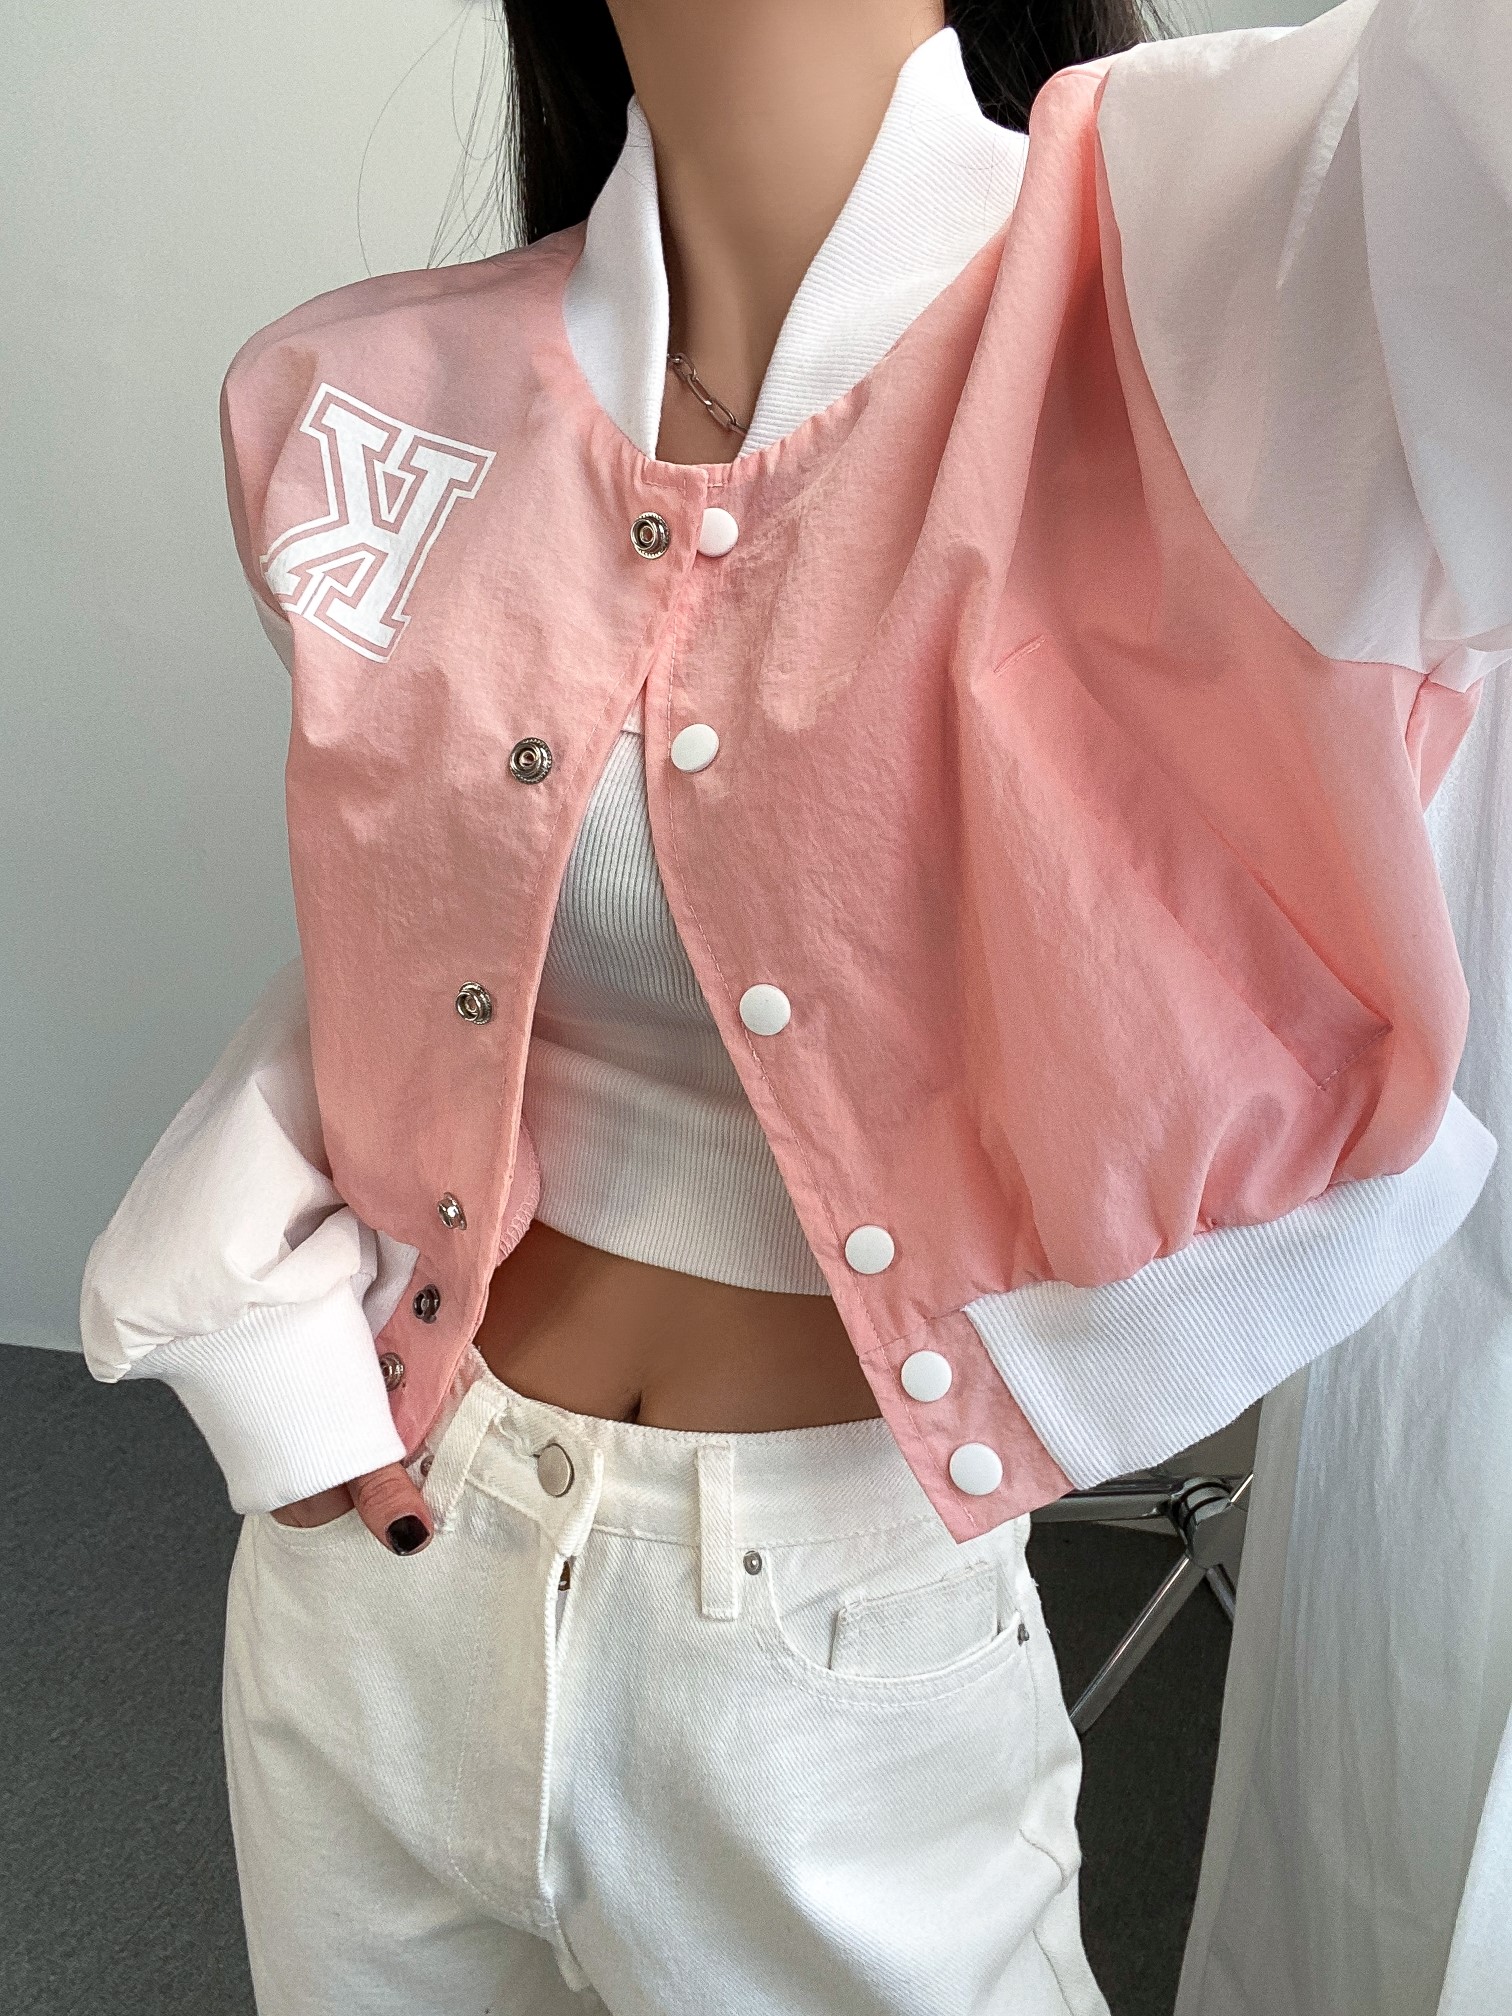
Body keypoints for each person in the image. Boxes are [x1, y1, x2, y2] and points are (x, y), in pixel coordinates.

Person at [79, 0, 1509, 2009]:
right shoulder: (357, 402)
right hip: (379, 1577)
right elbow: (392, 968)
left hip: (829, 1639)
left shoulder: (1222, 295)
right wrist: (266, 1365)